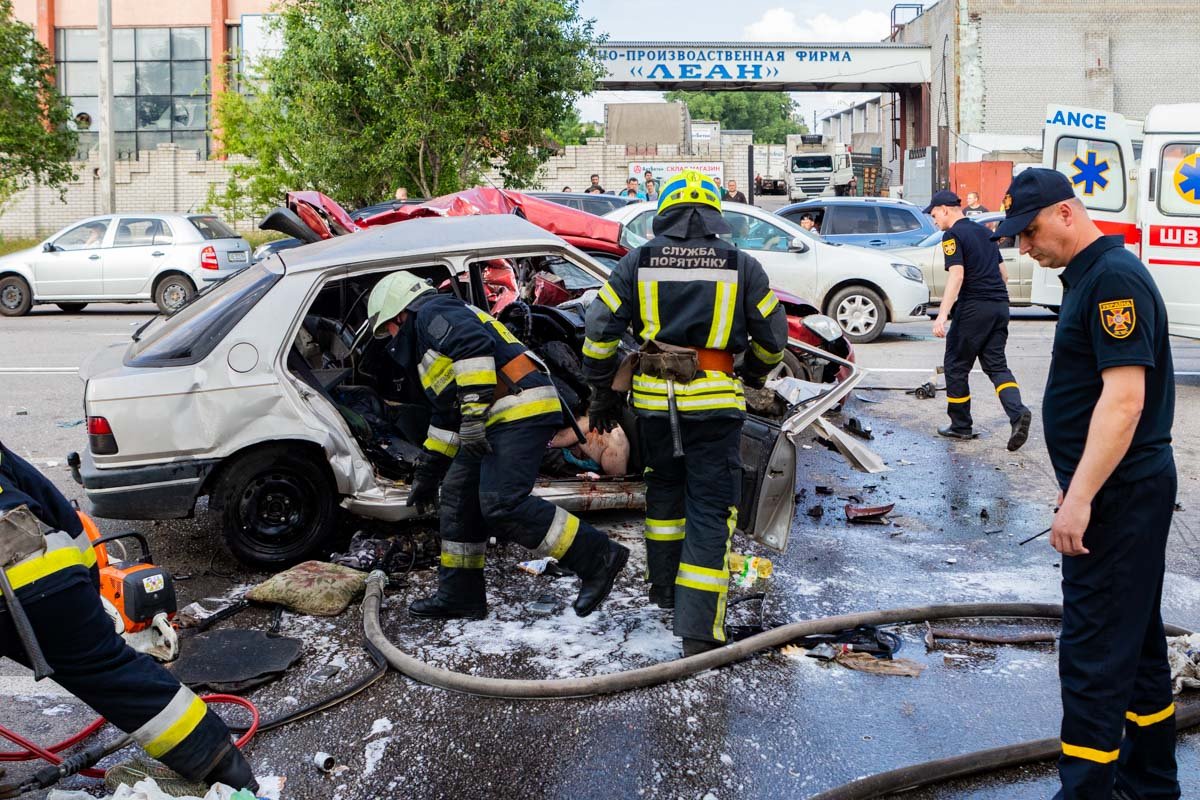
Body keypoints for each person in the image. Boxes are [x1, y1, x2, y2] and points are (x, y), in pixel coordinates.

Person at [993, 168, 1179, 800]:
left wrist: (1079, 500)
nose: (1026, 248)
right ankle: (1150, 785)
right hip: (1118, 491)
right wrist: (1081, 487)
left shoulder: (1112, 281)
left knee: (1095, 653)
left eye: (1031, 230)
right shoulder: (1094, 278)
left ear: (1067, 213)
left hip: (1119, 497)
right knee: (1140, 644)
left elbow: (1124, 402)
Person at [582, 169, 787, 657]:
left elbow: (598, 330)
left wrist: (601, 392)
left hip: (653, 409)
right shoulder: (743, 264)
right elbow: (773, 342)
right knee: (711, 510)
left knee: (666, 499)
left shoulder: (637, 262)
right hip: (714, 409)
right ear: (715, 214)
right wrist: (754, 377)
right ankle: (698, 632)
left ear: (665, 212)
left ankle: (666, 592)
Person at [366, 273, 629, 620]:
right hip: (496, 418)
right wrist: (429, 472)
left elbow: (473, 346)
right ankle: (461, 595)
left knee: (502, 503)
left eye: (391, 329)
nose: (393, 339)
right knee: (459, 497)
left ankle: (599, 557)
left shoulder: (433, 312)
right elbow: (446, 417)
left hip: (520, 407)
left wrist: (473, 418)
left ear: (400, 312)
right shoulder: (428, 350)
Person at [0, 442, 256, 792]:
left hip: (23, 581)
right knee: (116, 673)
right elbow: (58, 509)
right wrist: (88, 593)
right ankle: (225, 767)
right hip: (47, 573)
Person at [926, 189, 1031, 450]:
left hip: (974, 307)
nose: (934, 219)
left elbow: (957, 275)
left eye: (934, 213)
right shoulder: (985, 233)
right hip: (999, 306)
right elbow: (1003, 274)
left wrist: (942, 314)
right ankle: (1017, 413)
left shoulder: (952, 235)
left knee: (956, 365)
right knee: (996, 366)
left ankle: (960, 426)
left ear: (946, 210)